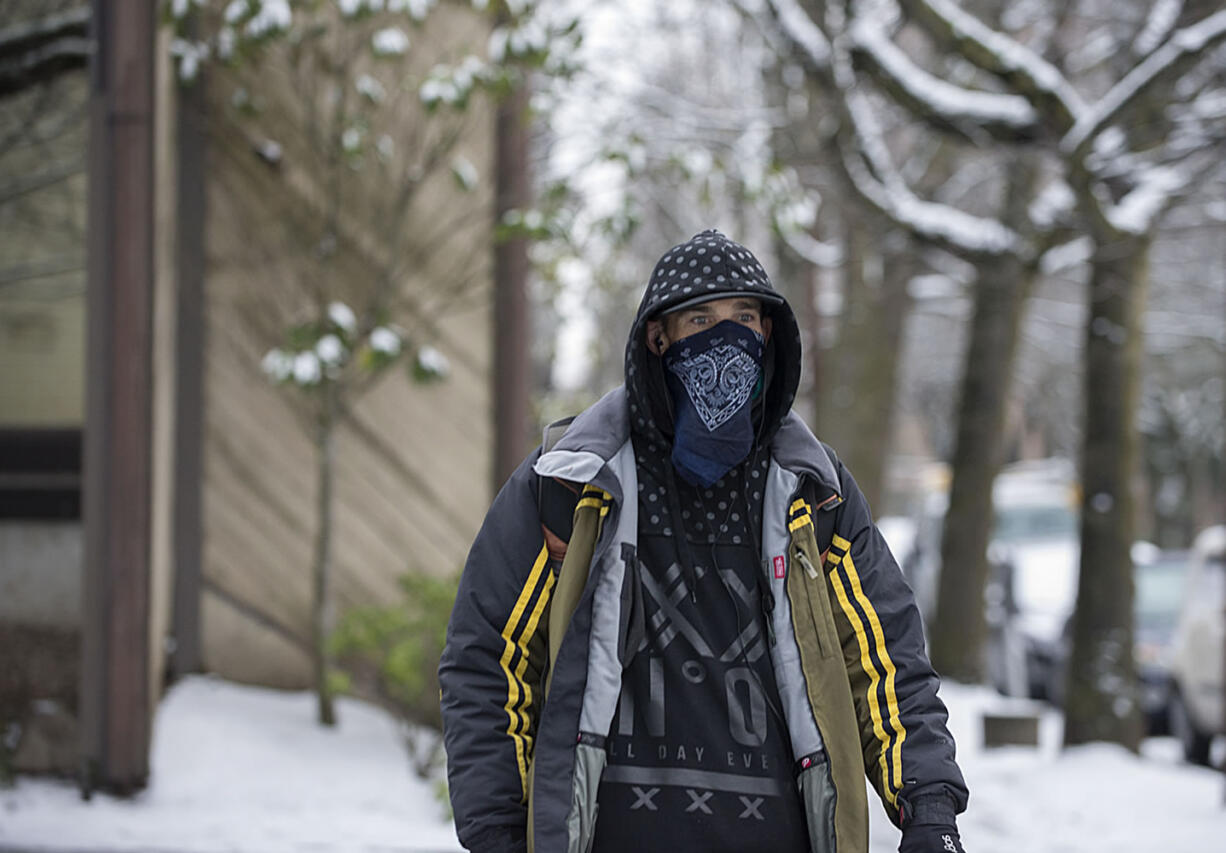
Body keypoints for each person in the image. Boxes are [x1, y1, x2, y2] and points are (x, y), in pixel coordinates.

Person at [439, 230, 968, 853]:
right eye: (702, 318)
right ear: (658, 338)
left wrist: (929, 807)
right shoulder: (571, 483)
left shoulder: (813, 493)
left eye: (745, 317)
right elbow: (492, 661)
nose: (729, 338)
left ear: (768, 333)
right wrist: (497, 830)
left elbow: (886, 660)